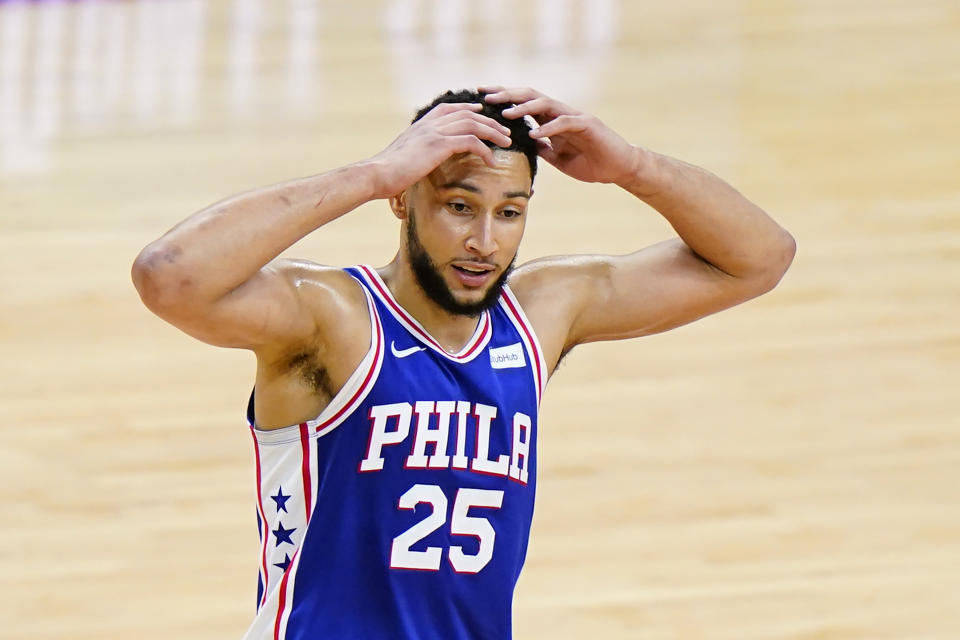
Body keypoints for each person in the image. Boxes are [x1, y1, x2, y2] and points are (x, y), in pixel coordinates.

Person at [132, 86, 795, 640]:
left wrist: (633, 167)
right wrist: (369, 174)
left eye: (509, 213)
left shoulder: (541, 313)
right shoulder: (330, 318)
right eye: (459, 206)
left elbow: (760, 258)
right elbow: (170, 276)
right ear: (404, 199)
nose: (485, 241)